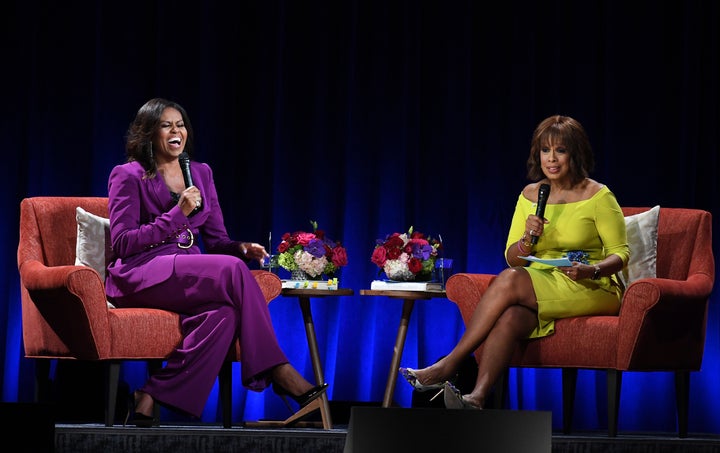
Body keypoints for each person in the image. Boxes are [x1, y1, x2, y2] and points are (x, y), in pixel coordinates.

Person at [105, 97, 327, 426]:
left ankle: (148, 396)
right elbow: (123, 243)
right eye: (166, 125)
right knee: (237, 274)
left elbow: (217, 239)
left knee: (225, 314)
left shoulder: (201, 173)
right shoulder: (127, 175)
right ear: (149, 134)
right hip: (141, 274)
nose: (176, 131)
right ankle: (280, 371)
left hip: (186, 274)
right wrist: (176, 213)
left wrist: (241, 248)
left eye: (180, 124)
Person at [399, 114, 629, 409]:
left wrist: (591, 269)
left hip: (589, 284)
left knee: (511, 278)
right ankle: (477, 397)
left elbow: (621, 254)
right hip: (543, 282)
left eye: (561, 150)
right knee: (509, 317)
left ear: (576, 153)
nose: (552, 159)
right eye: (545, 151)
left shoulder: (598, 195)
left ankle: (450, 363)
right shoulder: (531, 194)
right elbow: (511, 255)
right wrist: (527, 240)